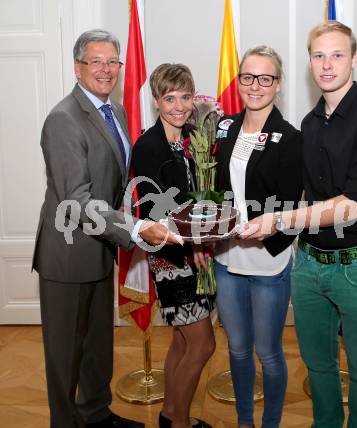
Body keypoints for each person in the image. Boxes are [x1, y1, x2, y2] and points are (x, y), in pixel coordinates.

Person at [240, 22, 357, 428]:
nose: (327, 65)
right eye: (318, 56)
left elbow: (353, 207)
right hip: (310, 264)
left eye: (337, 55)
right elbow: (308, 195)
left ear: (354, 59)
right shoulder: (310, 124)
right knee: (318, 366)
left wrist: (278, 219)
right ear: (309, 61)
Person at [32, 29, 181, 428]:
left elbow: (116, 183)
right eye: (95, 61)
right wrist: (135, 229)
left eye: (112, 61)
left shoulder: (115, 111)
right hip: (67, 254)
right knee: (66, 352)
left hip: (101, 247)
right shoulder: (64, 120)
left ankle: (96, 414)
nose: (105, 69)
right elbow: (76, 200)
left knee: (98, 344)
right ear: (78, 67)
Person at [212, 46, 303, 428]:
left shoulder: (290, 137)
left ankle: (271, 423)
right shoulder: (226, 128)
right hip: (226, 260)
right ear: (239, 81)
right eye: (248, 77)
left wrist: (264, 226)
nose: (255, 86)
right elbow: (215, 188)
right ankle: (244, 421)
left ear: (278, 85)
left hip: (268, 261)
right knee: (236, 349)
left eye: (265, 78)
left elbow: (289, 206)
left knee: (268, 353)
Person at [131, 63, 215, 428]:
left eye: (184, 96)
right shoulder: (148, 146)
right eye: (169, 98)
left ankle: (169, 414)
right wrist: (194, 238)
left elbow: (201, 193)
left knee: (182, 341)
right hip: (172, 257)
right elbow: (155, 211)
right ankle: (178, 421)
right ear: (155, 101)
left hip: (197, 252)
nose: (179, 106)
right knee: (203, 344)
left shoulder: (191, 138)